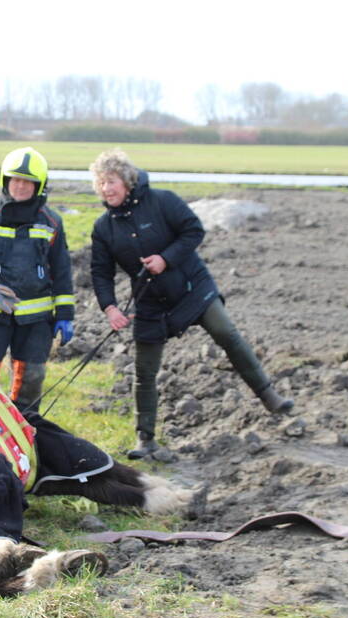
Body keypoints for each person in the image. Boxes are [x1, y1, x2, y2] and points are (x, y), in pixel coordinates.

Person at [89, 149, 293, 458]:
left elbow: (193, 231)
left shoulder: (163, 201)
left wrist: (165, 259)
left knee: (226, 333)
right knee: (144, 371)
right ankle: (146, 441)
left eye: (112, 181)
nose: (107, 189)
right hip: (150, 303)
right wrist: (111, 308)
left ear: (127, 181)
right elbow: (100, 272)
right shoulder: (104, 227)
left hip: (191, 288)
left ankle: (270, 396)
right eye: (101, 183)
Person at [0, 147, 74, 410]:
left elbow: (62, 269)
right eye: (15, 179)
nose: (21, 186)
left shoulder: (52, 222)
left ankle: (25, 433)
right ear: (5, 180)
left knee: (32, 380)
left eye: (28, 181)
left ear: (40, 186)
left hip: (36, 321)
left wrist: (65, 314)